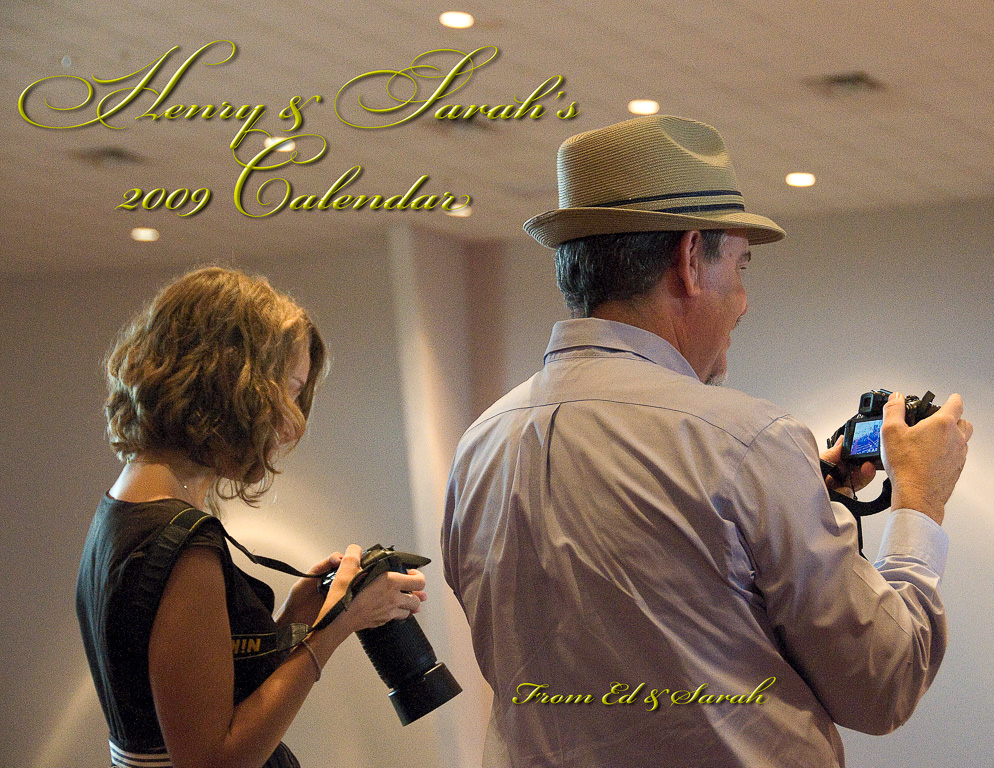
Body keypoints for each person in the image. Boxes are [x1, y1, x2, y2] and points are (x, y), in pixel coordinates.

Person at [441, 116, 973, 767]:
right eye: (740, 264)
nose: (744, 301)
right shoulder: (746, 442)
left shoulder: (480, 447)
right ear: (691, 260)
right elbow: (882, 684)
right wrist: (921, 501)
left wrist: (806, 497)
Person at [77, 267, 427, 768]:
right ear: (228, 383)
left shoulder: (122, 511)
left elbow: (197, 704)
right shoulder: (180, 544)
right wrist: (336, 629)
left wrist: (299, 617)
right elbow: (212, 761)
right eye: (286, 389)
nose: (291, 420)